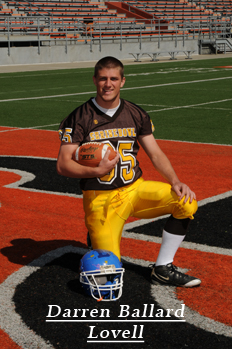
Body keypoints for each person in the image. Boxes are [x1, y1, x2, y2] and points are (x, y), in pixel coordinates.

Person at [57, 56, 201, 288]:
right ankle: (97, 238)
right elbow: (63, 164)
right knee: (106, 280)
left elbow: (155, 153)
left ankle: (163, 268)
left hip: (135, 188)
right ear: (94, 80)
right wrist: (95, 169)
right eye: (103, 78)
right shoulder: (79, 117)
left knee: (186, 202)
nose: (108, 84)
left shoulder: (135, 112)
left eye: (114, 78)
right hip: (101, 198)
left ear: (123, 81)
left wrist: (175, 181)